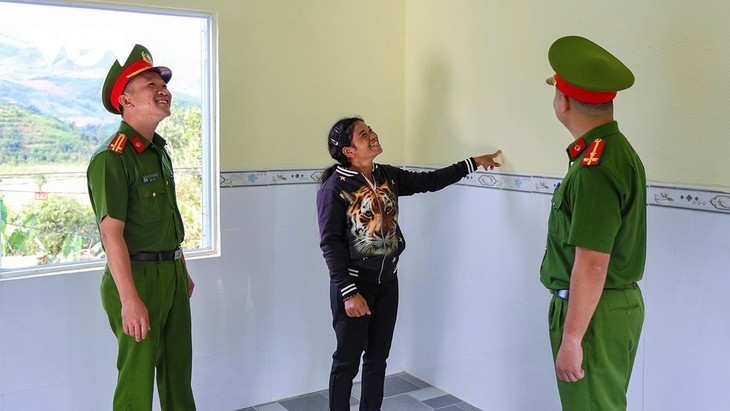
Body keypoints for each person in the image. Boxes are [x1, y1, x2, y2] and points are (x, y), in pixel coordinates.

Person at [317, 116, 501, 411]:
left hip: (387, 282)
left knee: (378, 359)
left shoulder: (386, 175)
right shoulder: (334, 188)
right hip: (355, 286)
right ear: (349, 151)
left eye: (370, 129)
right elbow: (330, 243)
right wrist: (349, 292)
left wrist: (472, 163)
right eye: (364, 134)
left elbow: (430, 182)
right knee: (346, 361)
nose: (373, 135)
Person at [87, 44, 196, 411]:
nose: (162, 90)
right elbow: (111, 235)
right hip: (136, 277)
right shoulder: (112, 157)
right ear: (126, 100)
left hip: (171, 273)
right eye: (151, 84)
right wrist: (130, 300)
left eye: (163, 84)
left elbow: (166, 221)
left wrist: (182, 269)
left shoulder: (158, 151)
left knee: (177, 376)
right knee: (137, 383)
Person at [540, 35, 646, 411]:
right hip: (605, 308)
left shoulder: (594, 168)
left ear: (564, 102)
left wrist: (572, 339)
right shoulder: (613, 151)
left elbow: (593, 262)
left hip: (592, 314)